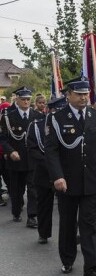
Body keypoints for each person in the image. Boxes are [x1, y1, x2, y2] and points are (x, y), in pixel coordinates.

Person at [45, 78, 96, 276]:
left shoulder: (95, 116)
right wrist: (57, 176)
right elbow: (51, 150)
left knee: (89, 223)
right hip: (67, 181)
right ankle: (67, 259)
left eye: (86, 94)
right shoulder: (57, 118)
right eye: (79, 94)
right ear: (69, 95)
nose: (83, 97)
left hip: (90, 179)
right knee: (68, 223)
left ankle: (91, 267)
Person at [0, 86, 44, 226]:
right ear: (17, 100)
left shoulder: (37, 116)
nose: (26, 102)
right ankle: (16, 211)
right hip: (15, 159)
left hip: (32, 159)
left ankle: (32, 216)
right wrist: (10, 151)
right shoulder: (8, 116)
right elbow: (3, 138)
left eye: (28, 99)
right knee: (16, 189)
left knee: (32, 189)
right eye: (23, 99)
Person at [27, 96, 67, 244]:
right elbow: (32, 149)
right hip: (43, 173)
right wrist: (50, 163)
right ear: (48, 110)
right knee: (44, 205)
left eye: (62, 109)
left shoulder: (67, 125)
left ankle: (70, 234)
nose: (59, 113)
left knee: (67, 207)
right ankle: (43, 233)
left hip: (64, 172)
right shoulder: (36, 126)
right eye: (56, 110)